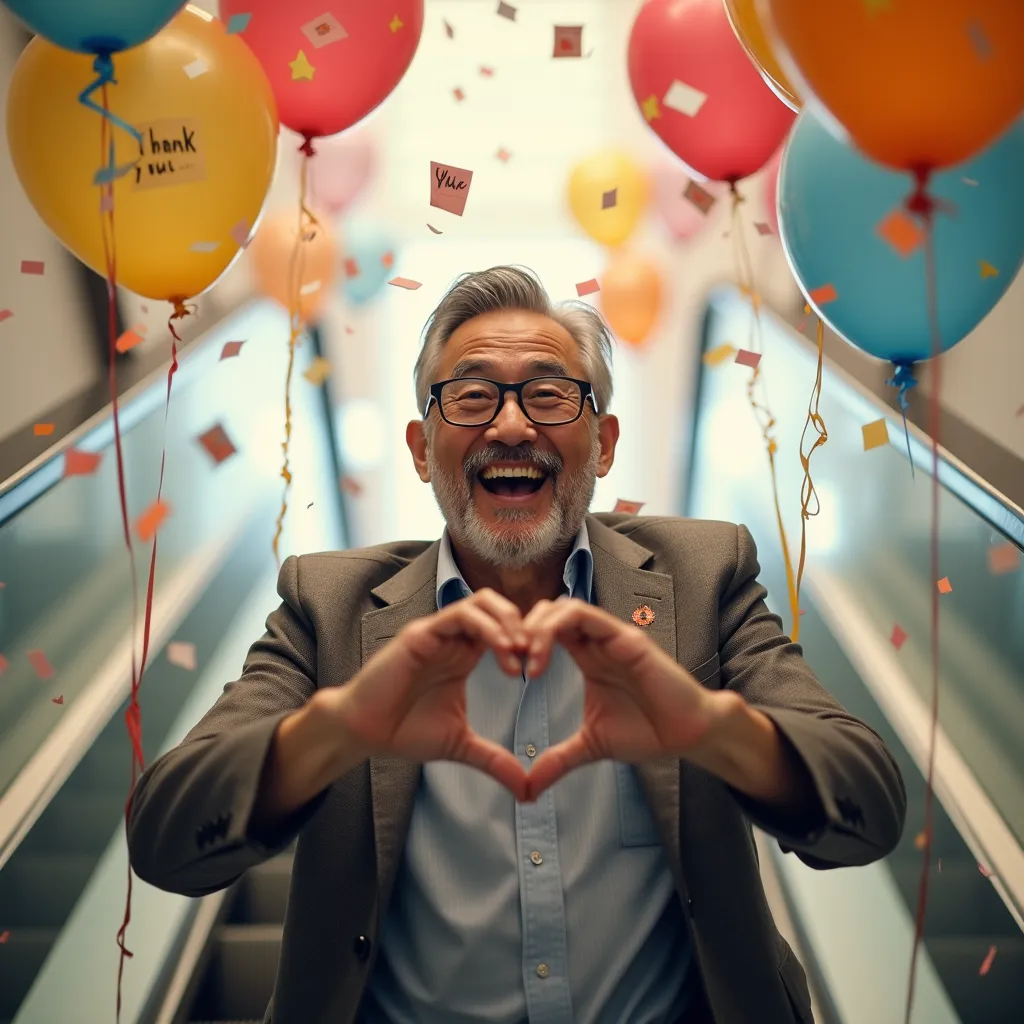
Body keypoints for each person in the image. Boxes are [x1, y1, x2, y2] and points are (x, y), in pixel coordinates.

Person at [128, 266, 906, 1024]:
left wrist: (712, 728)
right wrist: (337, 730)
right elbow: (165, 842)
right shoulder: (325, 606)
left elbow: (868, 809)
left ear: (602, 444)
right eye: (470, 395)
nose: (509, 425)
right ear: (420, 446)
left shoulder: (705, 576)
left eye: (548, 393)